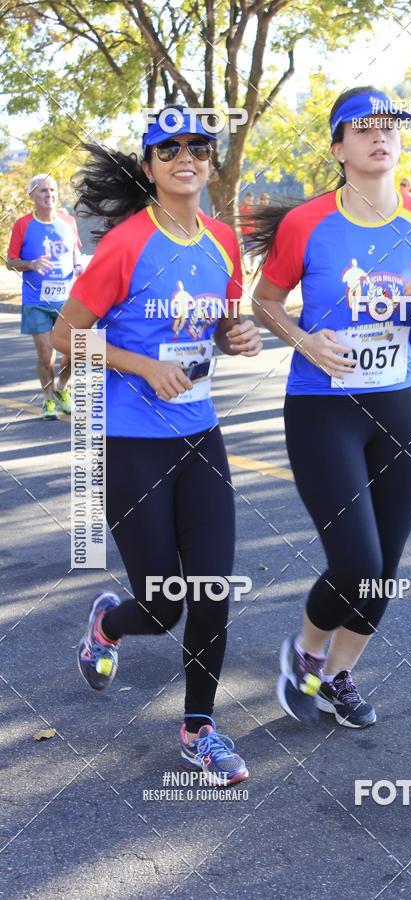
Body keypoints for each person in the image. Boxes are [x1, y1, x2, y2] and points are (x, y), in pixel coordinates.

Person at [52, 107, 261, 782]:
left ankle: (199, 729)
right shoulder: (125, 245)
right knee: (163, 602)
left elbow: (225, 321)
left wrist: (240, 336)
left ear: (209, 162)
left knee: (211, 591)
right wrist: (142, 365)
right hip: (131, 441)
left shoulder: (222, 242)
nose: (185, 156)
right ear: (149, 168)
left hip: (201, 436)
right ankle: (110, 624)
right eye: (167, 148)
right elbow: (64, 336)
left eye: (198, 146)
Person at [250, 86, 411, 729]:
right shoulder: (307, 222)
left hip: (399, 406)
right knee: (358, 563)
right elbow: (264, 303)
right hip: (324, 409)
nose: (381, 136)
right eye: (363, 127)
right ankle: (305, 653)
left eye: (390, 127)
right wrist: (301, 338)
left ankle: (339, 676)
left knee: (385, 572)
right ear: (338, 147)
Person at [6, 175, 82, 420]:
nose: (49, 195)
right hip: (36, 300)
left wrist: (78, 266)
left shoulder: (68, 221)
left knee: (74, 352)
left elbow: (75, 251)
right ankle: (49, 399)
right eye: (42, 191)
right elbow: (10, 261)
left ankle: (62, 387)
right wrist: (30, 264)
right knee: (46, 354)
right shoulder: (22, 224)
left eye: (52, 190)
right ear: (32, 196)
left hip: (65, 299)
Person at [239, 190, 256, 275]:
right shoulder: (240, 209)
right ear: (245, 199)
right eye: (248, 200)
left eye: (251, 200)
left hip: (252, 233)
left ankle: (252, 267)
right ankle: (247, 268)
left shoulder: (253, 209)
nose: (249, 202)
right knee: (244, 252)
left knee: (254, 251)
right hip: (243, 234)